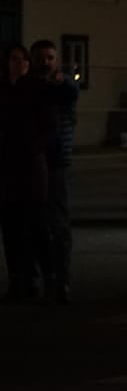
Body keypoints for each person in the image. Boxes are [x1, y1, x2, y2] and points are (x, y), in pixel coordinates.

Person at [24, 41, 76, 303]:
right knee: (36, 223)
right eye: (41, 58)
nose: (46, 62)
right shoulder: (30, 86)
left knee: (58, 223)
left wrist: (61, 83)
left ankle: (61, 279)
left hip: (55, 161)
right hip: (33, 161)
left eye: (51, 57)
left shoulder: (59, 85)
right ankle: (43, 277)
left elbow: (71, 92)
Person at [0, 44, 43, 301]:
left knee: (31, 227)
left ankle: (33, 280)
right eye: (14, 59)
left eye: (22, 59)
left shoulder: (35, 90)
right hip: (7, 166)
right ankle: (17, 282)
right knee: (11, 229)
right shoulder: (4, 89)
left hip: (29, 166)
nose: (19, 64)